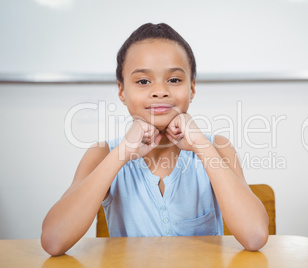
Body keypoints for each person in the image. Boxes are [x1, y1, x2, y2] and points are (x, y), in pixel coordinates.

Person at [41, 23, 269, 256]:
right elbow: (54, 240)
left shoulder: (218, 148)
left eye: (174, 80)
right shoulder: (101, 153)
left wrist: (202, 146)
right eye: (143, 81)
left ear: (191, 88)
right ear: (121, 91)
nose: (160, 91)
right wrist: (121, 154)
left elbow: (254, 236)